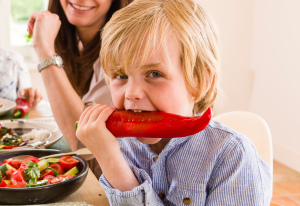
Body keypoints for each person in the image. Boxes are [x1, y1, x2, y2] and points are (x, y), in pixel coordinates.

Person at [75, 0, 272, 205]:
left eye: (154, 73)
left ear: (199, 82)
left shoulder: (233, 158)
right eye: (121, 75)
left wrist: (110, 160)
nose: (131, 93)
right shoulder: (119, 145)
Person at [27, 0, 133, 178]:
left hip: (122, 177)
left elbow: (84, 143)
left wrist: (44, 50)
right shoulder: (71, 39)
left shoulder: (124, 46)